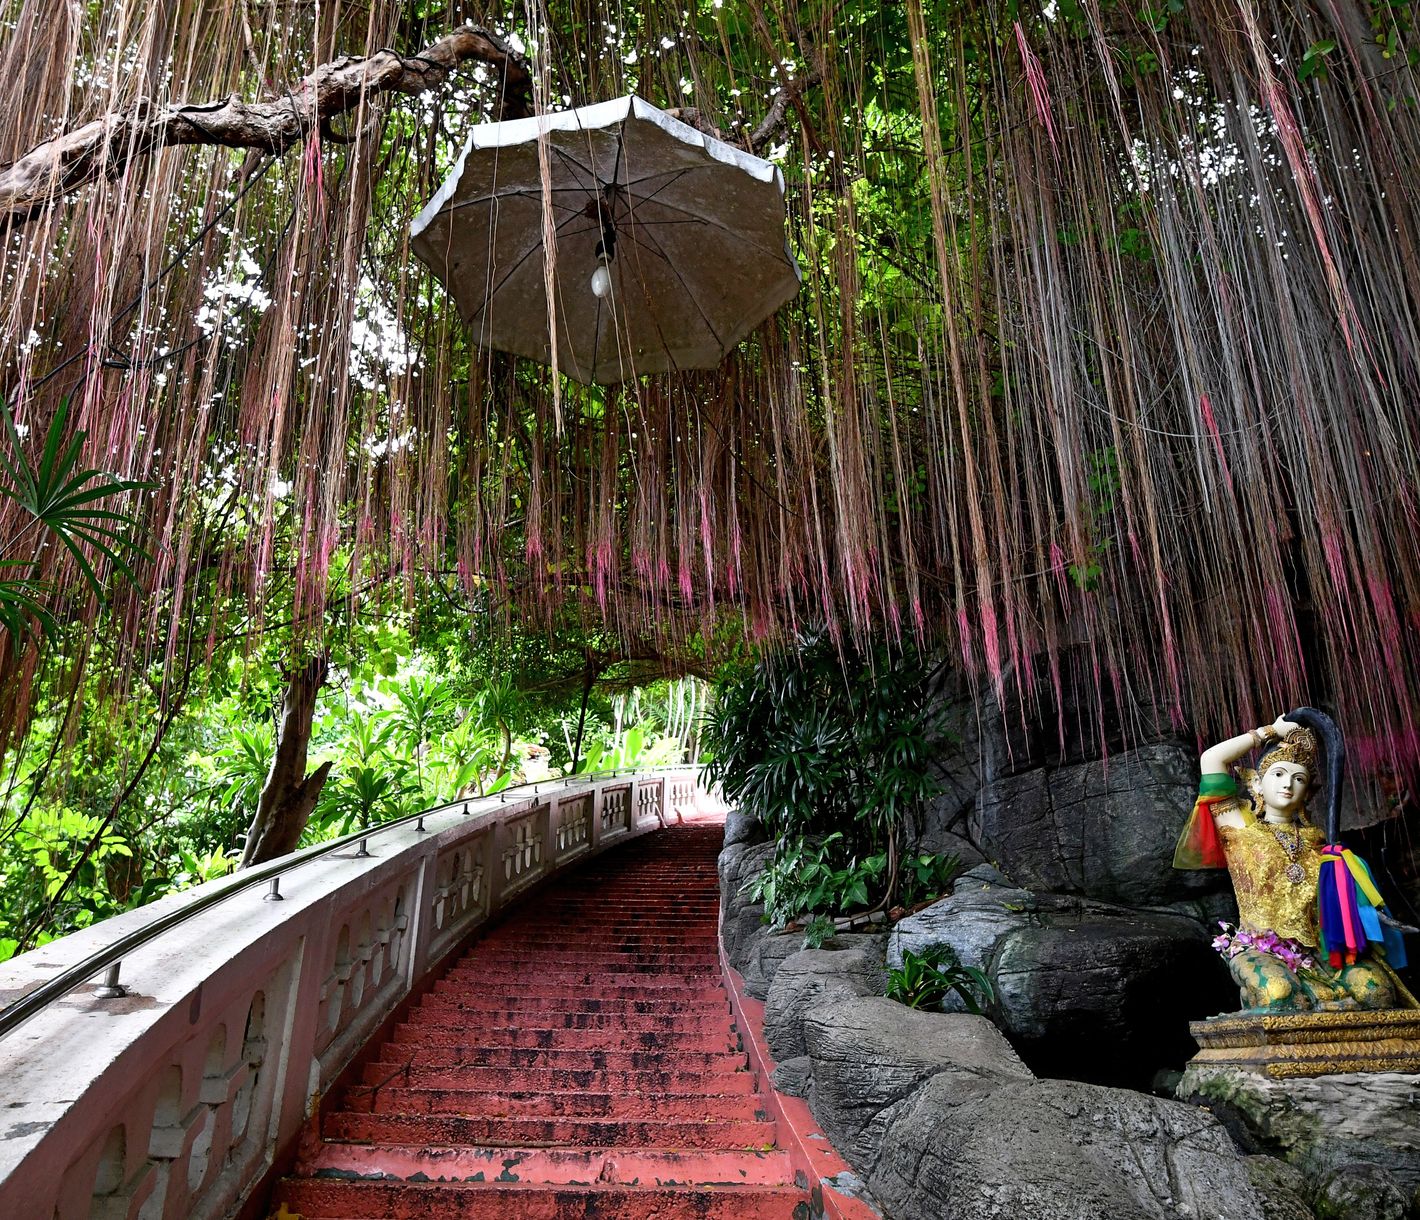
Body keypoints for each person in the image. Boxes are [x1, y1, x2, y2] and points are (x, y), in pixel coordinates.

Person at [1174, 712, 1416, 1014]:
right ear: (1257, 785)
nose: (1287, 784)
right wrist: (1270, 731)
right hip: (1261, 949)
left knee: (1378, 993)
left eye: (1298, 778)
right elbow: (1211, 760)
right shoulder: (1239, 830)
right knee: (1279, 994)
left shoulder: (1321, 845)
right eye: (1278, 774)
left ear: (1307, 793)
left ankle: (1322, 1007)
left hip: (1324, 952)